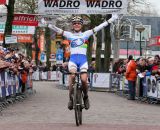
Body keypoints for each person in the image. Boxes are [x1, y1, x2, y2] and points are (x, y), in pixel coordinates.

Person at [41, 14, 118, 110]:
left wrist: (111, 20)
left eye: (78, 23)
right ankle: (70, 99)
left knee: (84, 80)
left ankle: (85, 97)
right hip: (73, 60)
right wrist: (46, 24)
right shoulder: (69, 35)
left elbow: (99, 27)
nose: (77, 25)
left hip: (82, 60)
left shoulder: (86, 34)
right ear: (73, 25)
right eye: (75, 23)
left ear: (81, 25)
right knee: (72, 76)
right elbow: (57, 29)